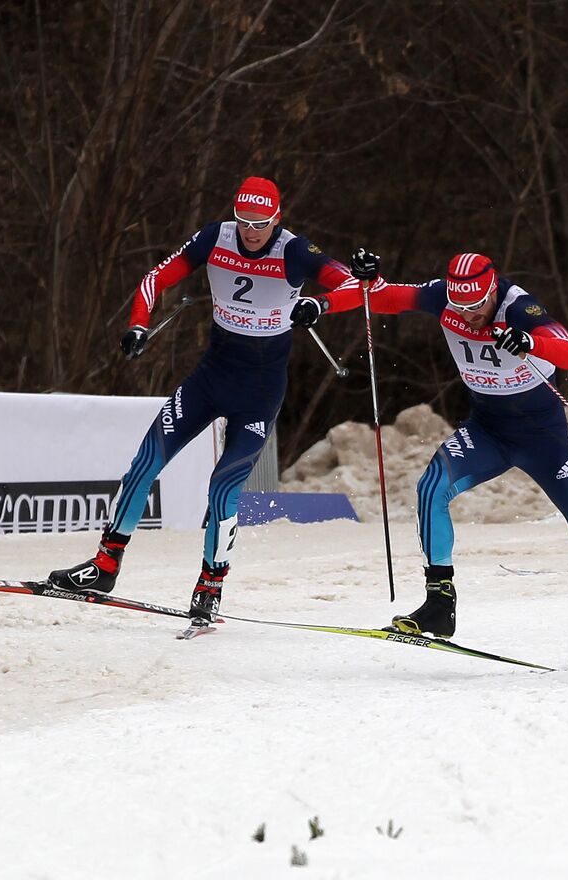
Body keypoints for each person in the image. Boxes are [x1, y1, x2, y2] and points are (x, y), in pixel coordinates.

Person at [305, 248, 568, 685]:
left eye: (476, 307)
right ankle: (439, 603)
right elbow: (380, 297)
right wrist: (333, 297)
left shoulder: (521, 307)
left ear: (492, 290)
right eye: (460, 306)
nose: (468, 315)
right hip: (488, 431)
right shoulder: (445, 297)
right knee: (431, 487)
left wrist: (531, 341)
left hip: (544, 442)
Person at [46, 177, 358, 638]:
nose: (251, 232)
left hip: (259, 393)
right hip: (210, 380)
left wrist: (320, 304)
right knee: (144, 463)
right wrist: (137, 325)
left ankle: (209, 589)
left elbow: (353, 286)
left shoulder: (293, 251)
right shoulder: (217, 236)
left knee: (222, 489)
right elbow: (156, 277)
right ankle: (104, 565)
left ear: (277, 218)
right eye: (244, 221)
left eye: (261, 223)